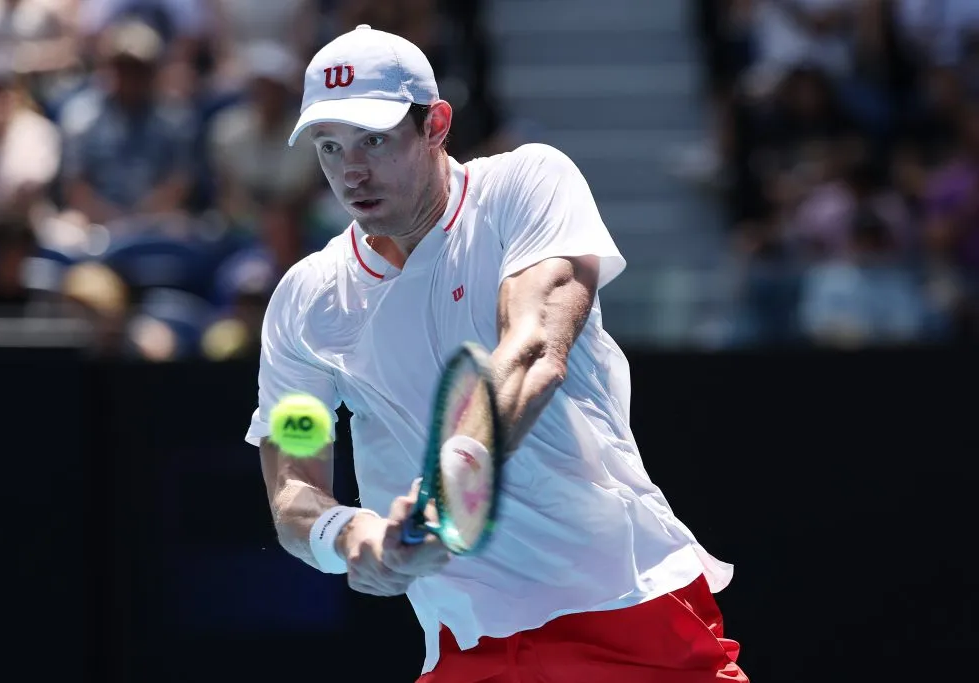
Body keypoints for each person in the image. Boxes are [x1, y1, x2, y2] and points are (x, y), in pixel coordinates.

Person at [246, 24, 749, 683]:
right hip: (468, 645)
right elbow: (292, 486)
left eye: (374, 139)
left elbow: (534, 348)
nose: (352, 171)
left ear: (436, 125)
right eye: (330, 146)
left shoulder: (526, 186)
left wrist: (451, 481)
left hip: (629, 611)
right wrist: (348, 535)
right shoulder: (305, 303)